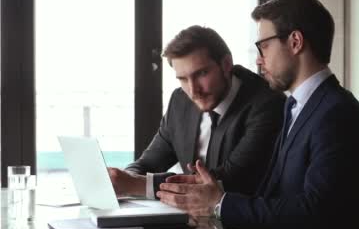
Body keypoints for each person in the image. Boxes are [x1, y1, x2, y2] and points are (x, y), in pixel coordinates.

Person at [157, 0, 359, 229]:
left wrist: (220, 203)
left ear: (295, 42)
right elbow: (273, 192)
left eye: (264, 46)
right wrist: (212, 199)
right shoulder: (297, 107)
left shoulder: (337, 114)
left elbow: (315, 212)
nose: (259, 61)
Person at [108, 26, 285, 216]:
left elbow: (228, 180)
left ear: (226, 64)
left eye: (201, 74)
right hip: (193, 227)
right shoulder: (180, 101)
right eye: (183, 79)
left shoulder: (267, 104)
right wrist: (120, 180)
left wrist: (136, 184)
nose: (193, 90)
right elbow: (148, 163)